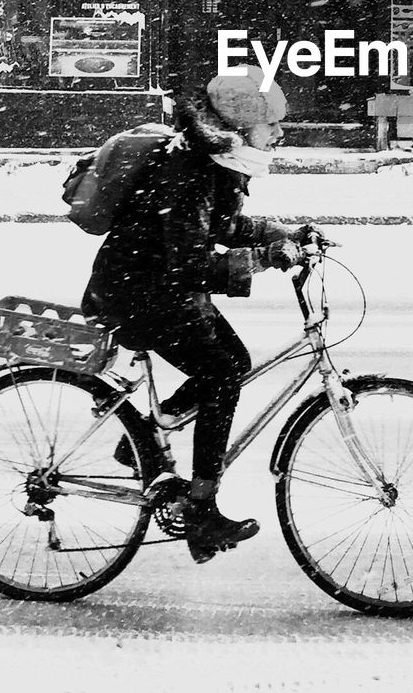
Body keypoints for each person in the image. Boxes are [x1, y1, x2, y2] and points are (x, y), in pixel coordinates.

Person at [80, 65, 306, 563]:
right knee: (222, 372)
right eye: (273, 125)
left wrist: (277, 232)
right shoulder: (188, 168)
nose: (280, 134)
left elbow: (222, 223)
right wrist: (260, 260)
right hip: (137, 293)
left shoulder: (216, 159)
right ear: (244, 125)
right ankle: (200, 512)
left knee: (233, 362)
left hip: (157, 288)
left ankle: (143, 438)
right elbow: (188, 263)